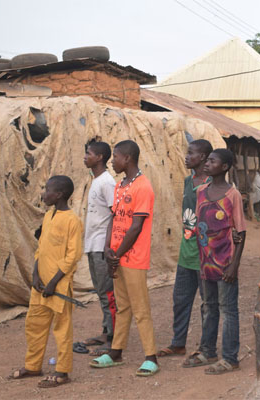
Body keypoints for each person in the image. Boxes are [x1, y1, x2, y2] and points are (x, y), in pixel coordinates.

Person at [89, 140, 160, 377]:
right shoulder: (120, 186)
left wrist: (116, 255)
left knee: (140, 308)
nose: (112, 161)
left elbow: (136, 226)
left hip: (134, 258)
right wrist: (109, 248)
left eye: (115, 157)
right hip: (117, 257)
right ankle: (116, 352)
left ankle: (151, 357)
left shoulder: (143, 187)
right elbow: (114, 218)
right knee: (122, 307)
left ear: (127, 158)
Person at [10, 175, 83, 388]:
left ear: (58, 194)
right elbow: (40, 249)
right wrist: (35, 275)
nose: (43, 193)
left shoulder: (72, 221)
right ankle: (33, 366)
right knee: (34, 325)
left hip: (58, 286)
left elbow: (73, 255)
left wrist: (53, 282)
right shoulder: (49, 215)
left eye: (47, 189)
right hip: (41, 285)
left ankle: (62, 372)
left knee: (62, 329)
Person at [183, 148, 246, 375]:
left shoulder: (232, 195)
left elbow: (241, 231)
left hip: (225, 261)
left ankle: (230, 358)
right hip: (205, 261)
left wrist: (234, 264)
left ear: (225, 167)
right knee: (208, 307)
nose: (207, 163)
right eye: (207, 160)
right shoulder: (201, 191)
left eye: (212, 161)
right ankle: (207, 351)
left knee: (228, 309)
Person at [157, 139, 213, 357]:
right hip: (186, 252)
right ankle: (178, 342)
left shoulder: (211, 185)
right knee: (180, 301)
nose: (186, 156)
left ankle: (205, 347)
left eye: (191, 153)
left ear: (204, 158)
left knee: (208, 304)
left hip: (205, 254)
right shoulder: (187, 181)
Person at [81, 141, 117, 355]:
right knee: (102, 292)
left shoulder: (107, 182)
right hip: (93, 244)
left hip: (103, 246)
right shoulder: (96, 181)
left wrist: (108, 244)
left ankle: (113, 339)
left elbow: (116, 214)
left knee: (108, 293)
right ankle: (106, 331)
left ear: (100, 157)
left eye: (89, 153)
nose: (85, 157)